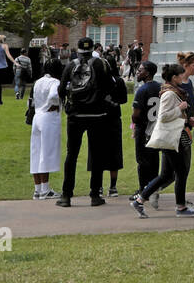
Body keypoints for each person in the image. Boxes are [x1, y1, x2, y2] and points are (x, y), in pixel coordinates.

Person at [130, 63, 194, 217]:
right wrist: (180, 108)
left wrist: (188, 119)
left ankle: (140, 200)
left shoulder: (172, 91)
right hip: (171, 139)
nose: (184, 77)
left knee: (166, 175)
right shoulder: (169, 93)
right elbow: (163, 116)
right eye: (181, 75)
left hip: (171, 138)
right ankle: (181, 207)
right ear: (174, 77)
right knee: (180, 173)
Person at [56, 36, 115, 207]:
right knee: (96, 155)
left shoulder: (70, 65)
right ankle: (95, 194)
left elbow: (61, 89)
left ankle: (66, 195)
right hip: (97, 114)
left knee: (71, 155)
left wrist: (68, 101)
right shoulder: (101, 63)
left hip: (76, 115)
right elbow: (110, 86)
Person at [91, 45, 128, 197]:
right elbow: (124, 99)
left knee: (97, 153)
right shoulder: (118, 81)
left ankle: (98, 186)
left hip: (99, 119)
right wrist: (114, 101)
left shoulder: (97, 81)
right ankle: (112, 187)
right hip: (113, 119)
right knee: (114, 152)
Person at [29, 58, 63, 199]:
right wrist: (53, 103)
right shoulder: (55, 82)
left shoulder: (38, 81)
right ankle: (45, 189)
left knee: (36, 152)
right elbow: (55, 95)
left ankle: (37, 189)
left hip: (37, 117)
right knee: (46, 153)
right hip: (48, 117)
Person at [130, 61, 162, 210]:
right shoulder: (159, 87)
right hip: (156, 129)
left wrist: (135, 124)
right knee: (154, 160)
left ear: (148, 73)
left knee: (142, 161)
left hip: (144, 130)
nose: (137, 72)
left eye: (140, 70)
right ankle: (153, 188)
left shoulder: (142, 90)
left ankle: (143, 190)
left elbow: (136, 114)